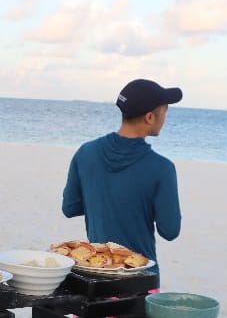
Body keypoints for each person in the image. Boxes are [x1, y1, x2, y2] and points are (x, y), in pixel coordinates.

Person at [61, 78, 183, 275]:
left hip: (97, 272)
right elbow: (170, 231)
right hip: (139, 277)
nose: (166, 116)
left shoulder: (85, 152)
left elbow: (70, 208)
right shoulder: (162, 168)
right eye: (165, 110)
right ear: (150, 117)